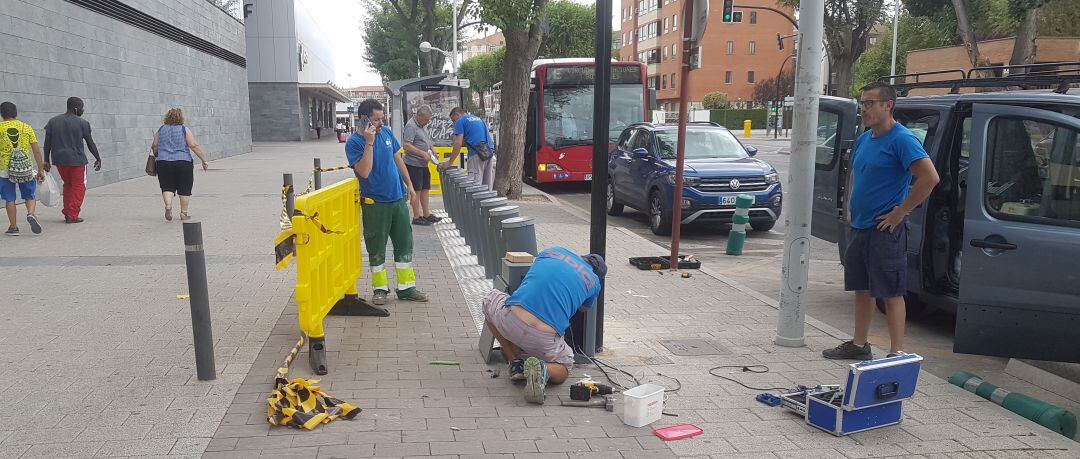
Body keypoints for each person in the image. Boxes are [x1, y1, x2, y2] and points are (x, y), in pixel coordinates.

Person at [822, 82, 940, 361]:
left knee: (890, 292)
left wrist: (901, 211)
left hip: (886, 230)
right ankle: (859, 344)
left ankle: (895, 352)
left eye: (870, 103)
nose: (864, 109)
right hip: (860, 227)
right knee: (862, 289)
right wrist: (850, 207)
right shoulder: (866, 138)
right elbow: (855, 174)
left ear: (888, 105)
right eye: (862, 103)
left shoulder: (902, 139)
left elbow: (929, 178)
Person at [482, 248, 607, 404]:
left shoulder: (553, 251)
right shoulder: (594, 281)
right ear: (596, 273)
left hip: (511, 320)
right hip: (543, 338)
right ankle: (543, 369)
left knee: (489, 299)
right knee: (566, 364)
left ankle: (514, 362)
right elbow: (584, 309)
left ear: (582, 257)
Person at [345, 99, 429, 306]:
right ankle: (380, 289)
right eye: (376, 119)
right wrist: (370, 142)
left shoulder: (388, 133)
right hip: (375, 203)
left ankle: (407, 288)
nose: (381, 123)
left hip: (397, 198)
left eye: (382, 118)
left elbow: (397, 158)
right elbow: (364, 171)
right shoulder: (354, 143)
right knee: (376, 246)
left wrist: (408, 184)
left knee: (404, 243)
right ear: (364, 119)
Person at [44, 97, 101, 224]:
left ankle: (68, 211)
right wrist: (98, 157)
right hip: (77, 160)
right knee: (79, 187)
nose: (83, 110)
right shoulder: (83, 123)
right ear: (76, 108)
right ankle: (72, 215)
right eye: (82, 107)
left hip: (59, 160)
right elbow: (90, 143)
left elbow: (47, 142)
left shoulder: (52, 122)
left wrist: (46, 159)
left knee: (68, 185)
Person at [151, 108, 209, 222]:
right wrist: (204, 160)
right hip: (183, 162)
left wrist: (158, 153)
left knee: (167, 186)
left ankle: (168, 205)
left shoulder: (161, 129)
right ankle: (183, 213)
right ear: (181, 117)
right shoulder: (184, 129)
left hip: (163, 162)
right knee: (184, 188)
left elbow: (154, 146)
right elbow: (194, 145)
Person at [0, 102, 46, 235]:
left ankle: (13, 227)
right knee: (29, 194)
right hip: (24, 167)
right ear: (16, 113)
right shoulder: (26, 127)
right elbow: (36, 151)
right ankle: (31, 214)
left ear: (2, 114)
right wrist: (40, 169)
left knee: (9, 198)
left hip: (4, 169)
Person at [402, 105, 441, 226]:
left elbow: (426, 140)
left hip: (423, 164)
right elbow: (407, 146)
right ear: (419, 116)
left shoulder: (422, 125)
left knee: (425, 189)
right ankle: (416, 216)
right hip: (414, 164)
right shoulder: (411, 126)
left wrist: (432, 149)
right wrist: (422, 153)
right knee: (417, 190)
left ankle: (426, 214)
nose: (427, 122)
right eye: (426, 119)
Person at [440, 107, 494, 188]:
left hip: (476, 155)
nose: (454, 123)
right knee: (487, 186)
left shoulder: (460, 121)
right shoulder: (478, 119)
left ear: (457, 114)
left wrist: (450, 162)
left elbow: (458, 143)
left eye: (453, 120)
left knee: (475, 186)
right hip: (489, 153)